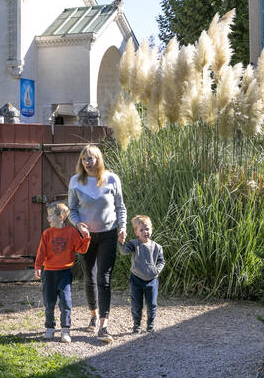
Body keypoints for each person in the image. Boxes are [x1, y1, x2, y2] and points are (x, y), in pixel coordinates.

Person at [68, 144, 127, 343]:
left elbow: (120, 206)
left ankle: (104, 324)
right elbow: (72, 209)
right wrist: (78, 225)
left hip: (108, 234)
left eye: (91, 159)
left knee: (104, 278)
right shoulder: (75, 182)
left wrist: (123, 227)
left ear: (98, 160)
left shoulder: (112, 179)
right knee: (90, 278)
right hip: (86, 237)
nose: (87, 163)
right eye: (84, 159)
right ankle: (93, 314)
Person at [34, 201, 91, 343]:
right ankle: (50, 328)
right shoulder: (47, 233)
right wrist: (37, 267)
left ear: (60, 217)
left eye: (50, 216)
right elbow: (41, 252)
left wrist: (87, 236)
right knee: (49, 302)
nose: (48, 219)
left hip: (65, 273)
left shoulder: (71, 232)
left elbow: (82, 249)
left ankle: (65, 329)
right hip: (49, 273)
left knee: (66, 302)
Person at [119, 214, 165, 333]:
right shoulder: (134, 244)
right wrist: (121, 242)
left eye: (147, 229)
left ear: (151, 229)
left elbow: (161, 261)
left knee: (152, 304)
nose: (145, 232)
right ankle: (137, 325)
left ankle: (150, 325)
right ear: (136, 232)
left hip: (152, 280)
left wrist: (156, 271)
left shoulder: (157, 247)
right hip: (136, 280)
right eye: (141, 230)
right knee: (136, 305)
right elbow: (124, 252)